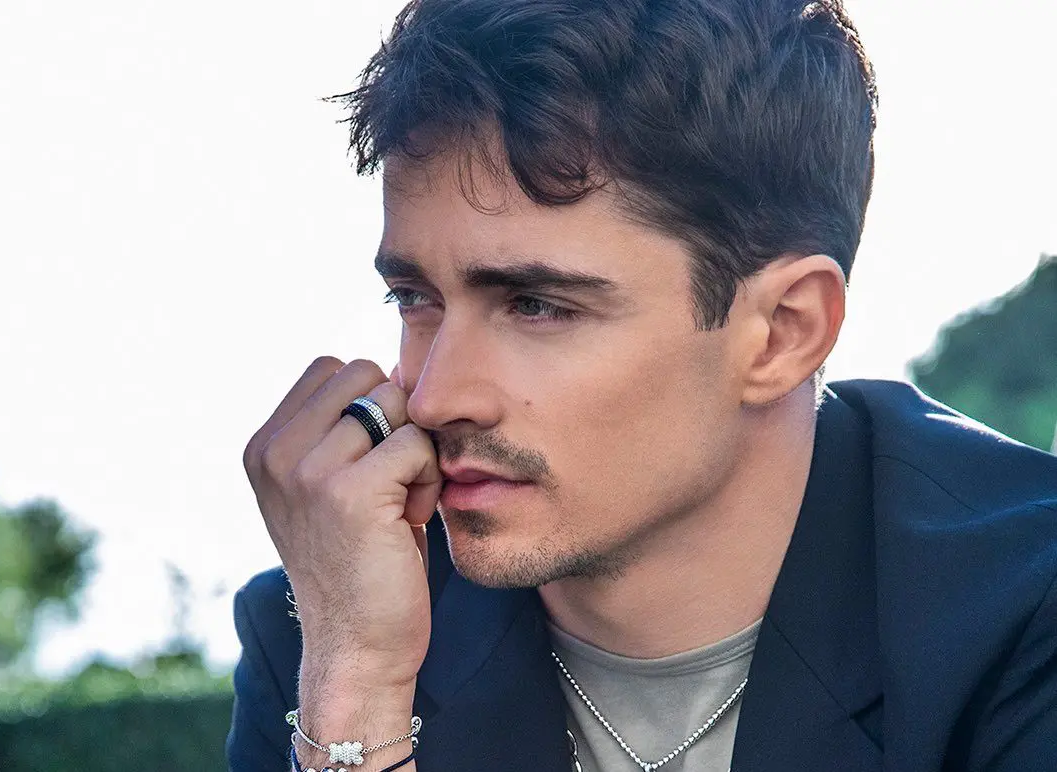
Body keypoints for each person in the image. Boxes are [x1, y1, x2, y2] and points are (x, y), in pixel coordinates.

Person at [226, 1, 1057, 770]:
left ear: (782, 332)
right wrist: (356, 699)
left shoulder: (1024, 610)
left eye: (537, 305)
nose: (435, 396)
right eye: (414, 298)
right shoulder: (332, 631)